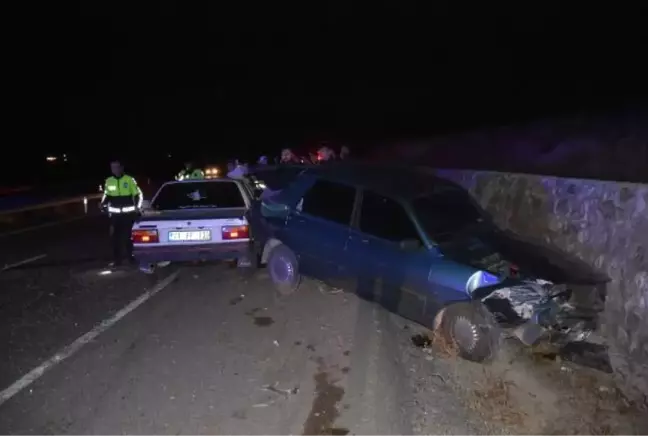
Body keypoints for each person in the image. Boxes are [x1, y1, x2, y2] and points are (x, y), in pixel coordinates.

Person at [100, 160, 143, 267]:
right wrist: (102, 204)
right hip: (115, 216)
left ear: (121, 168)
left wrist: (137, 207)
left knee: (129, 237)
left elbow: (137, 195)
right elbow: (107, 195)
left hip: (128, 215)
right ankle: (117, 261)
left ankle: (131, 258)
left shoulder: (129, 180)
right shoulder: (109, 181)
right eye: (112, 167)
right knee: (115, 238)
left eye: (116, 167)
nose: (114, 169)